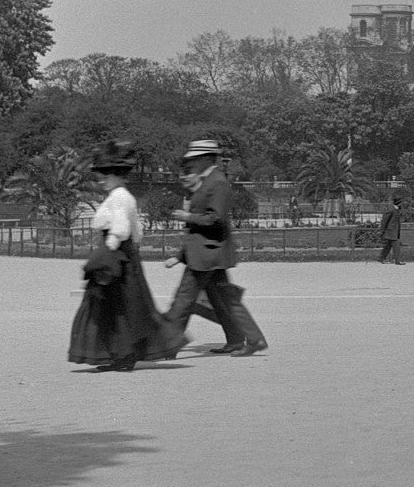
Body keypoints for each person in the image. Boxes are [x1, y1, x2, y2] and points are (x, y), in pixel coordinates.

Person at [69, 142, 187, 372]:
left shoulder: (120, 197)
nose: (101, 179)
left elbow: (122, 229)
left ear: (117, 175)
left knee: (121, 307)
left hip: (117, 257)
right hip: (122, 257)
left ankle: (123, 357)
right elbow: (138, 232)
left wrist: (104, 257)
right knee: (121, 308)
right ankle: (120, 356)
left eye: (106, 175)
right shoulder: (119, 195)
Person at [165, 138, 269, 356]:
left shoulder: (217, 182)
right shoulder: (209, 181)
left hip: (206, 253)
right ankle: (247, 339)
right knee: (225, 300)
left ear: (206, 159)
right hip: (210, 253)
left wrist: (188, 216)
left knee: (183, 300)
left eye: (194, 159)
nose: (191, 163)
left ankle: (166, 345)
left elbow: (216, 218)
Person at [377, 193, 405, 264]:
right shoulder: (391, 210)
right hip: (391, 231)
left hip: (394, 231)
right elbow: (384, 220)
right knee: (396, 246)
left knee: (388, 245)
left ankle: (381, 258)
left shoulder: (397, 210)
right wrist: (382, 230)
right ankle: (397, 261)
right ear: (399, 203)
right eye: (401, 203)